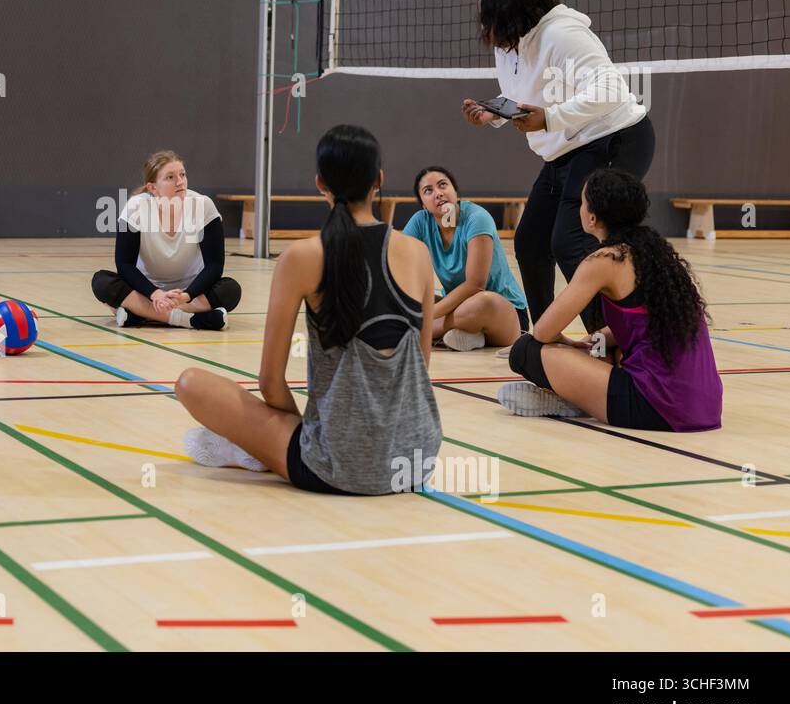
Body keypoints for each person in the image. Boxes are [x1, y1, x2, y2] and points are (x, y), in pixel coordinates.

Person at [174, 125, 442, 495]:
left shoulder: (301, 256)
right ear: (378, 180)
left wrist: (302, 434)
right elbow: (421, 369)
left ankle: (263, 450)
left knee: (190, 383)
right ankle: (268, 448)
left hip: (337, 467)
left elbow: (270, 383)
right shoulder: (417, 252)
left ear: (320, 183)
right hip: (417, 461)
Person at [460, 0, 654, 334]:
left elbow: (611, 89)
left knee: (569, 240)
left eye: (489, 16)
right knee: (531, 241)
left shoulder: (563, 34)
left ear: (511, 12)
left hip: (615, 138)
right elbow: (529, 95)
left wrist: (550, 118)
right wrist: (495, 114)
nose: (484, 26)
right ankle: (546, 337)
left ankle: (610, 340)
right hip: (567, 149)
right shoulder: (511, 45)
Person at [499, 168, 722, 432]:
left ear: (592, 218)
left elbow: (544, 331)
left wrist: (568, 345)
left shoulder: (604, 261)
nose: (577, 209)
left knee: (525, 350)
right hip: (705, 406)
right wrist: (593, 342)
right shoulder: (655, 254)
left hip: (658, 406)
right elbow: (642, 323)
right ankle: (582, 395)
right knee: (603, 346)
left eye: (581, 202)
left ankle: (572, 402)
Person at [91, 150, 239, 331]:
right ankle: (189, 319)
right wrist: (156, 294)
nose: (180, 181)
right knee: (101, 281)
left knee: (231, 289)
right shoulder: (135, 207)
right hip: (147, 290)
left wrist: (186, 295)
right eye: (170, 177)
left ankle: (140, 315)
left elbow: (214, 265)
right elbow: (124, 264)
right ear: (153, 188)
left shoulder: (203, 205)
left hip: (191, 291)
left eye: (182, 174)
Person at [403, 165, 528, 350]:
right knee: (411, 299)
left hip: (504, 313)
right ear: (423, 203)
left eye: (443, 185)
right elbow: (397, 259)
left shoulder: (477, 218)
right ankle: (468, 335)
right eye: (428, 191)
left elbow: (475, 285)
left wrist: (424, 317)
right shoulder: (420, 221)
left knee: (482, 301)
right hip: (457, 309)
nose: (438, 193)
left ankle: (418, 331)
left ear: (455, 191)